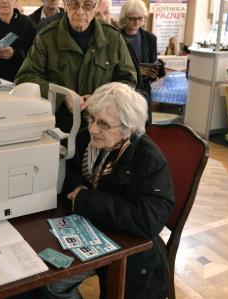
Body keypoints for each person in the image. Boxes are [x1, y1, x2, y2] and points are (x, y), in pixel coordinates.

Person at [42, 82, 174, 299]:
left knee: (52, 285)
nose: (93, 128)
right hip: (93, 229)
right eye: (91, 119)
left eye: (103, 124)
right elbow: (68, 170)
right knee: (48, 283)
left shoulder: (148, 159)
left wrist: (85, 198)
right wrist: (78, 190)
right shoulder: (87, 138)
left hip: (133, 252)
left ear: (128, 127)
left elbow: (149, 220)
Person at [15, 0, 137, 132]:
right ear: (65, 3)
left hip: (102, 128)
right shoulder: (47, 38)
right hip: (57, 130)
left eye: (87, 5)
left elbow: (128, 81)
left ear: (97, 4)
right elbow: (24, 79)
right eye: (74, 4)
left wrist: (101, 98)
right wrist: (62, 95)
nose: (80, 11)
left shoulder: (113, 39)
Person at [118, 0, 163, 123]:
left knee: (143, 126)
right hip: (123, 89)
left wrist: (154, 74)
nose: (136, 22)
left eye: (140, 18)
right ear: (124, 18)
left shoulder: (150, 38)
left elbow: (152, 63)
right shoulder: (116, 36)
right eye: (132, 18)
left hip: (143, 89)